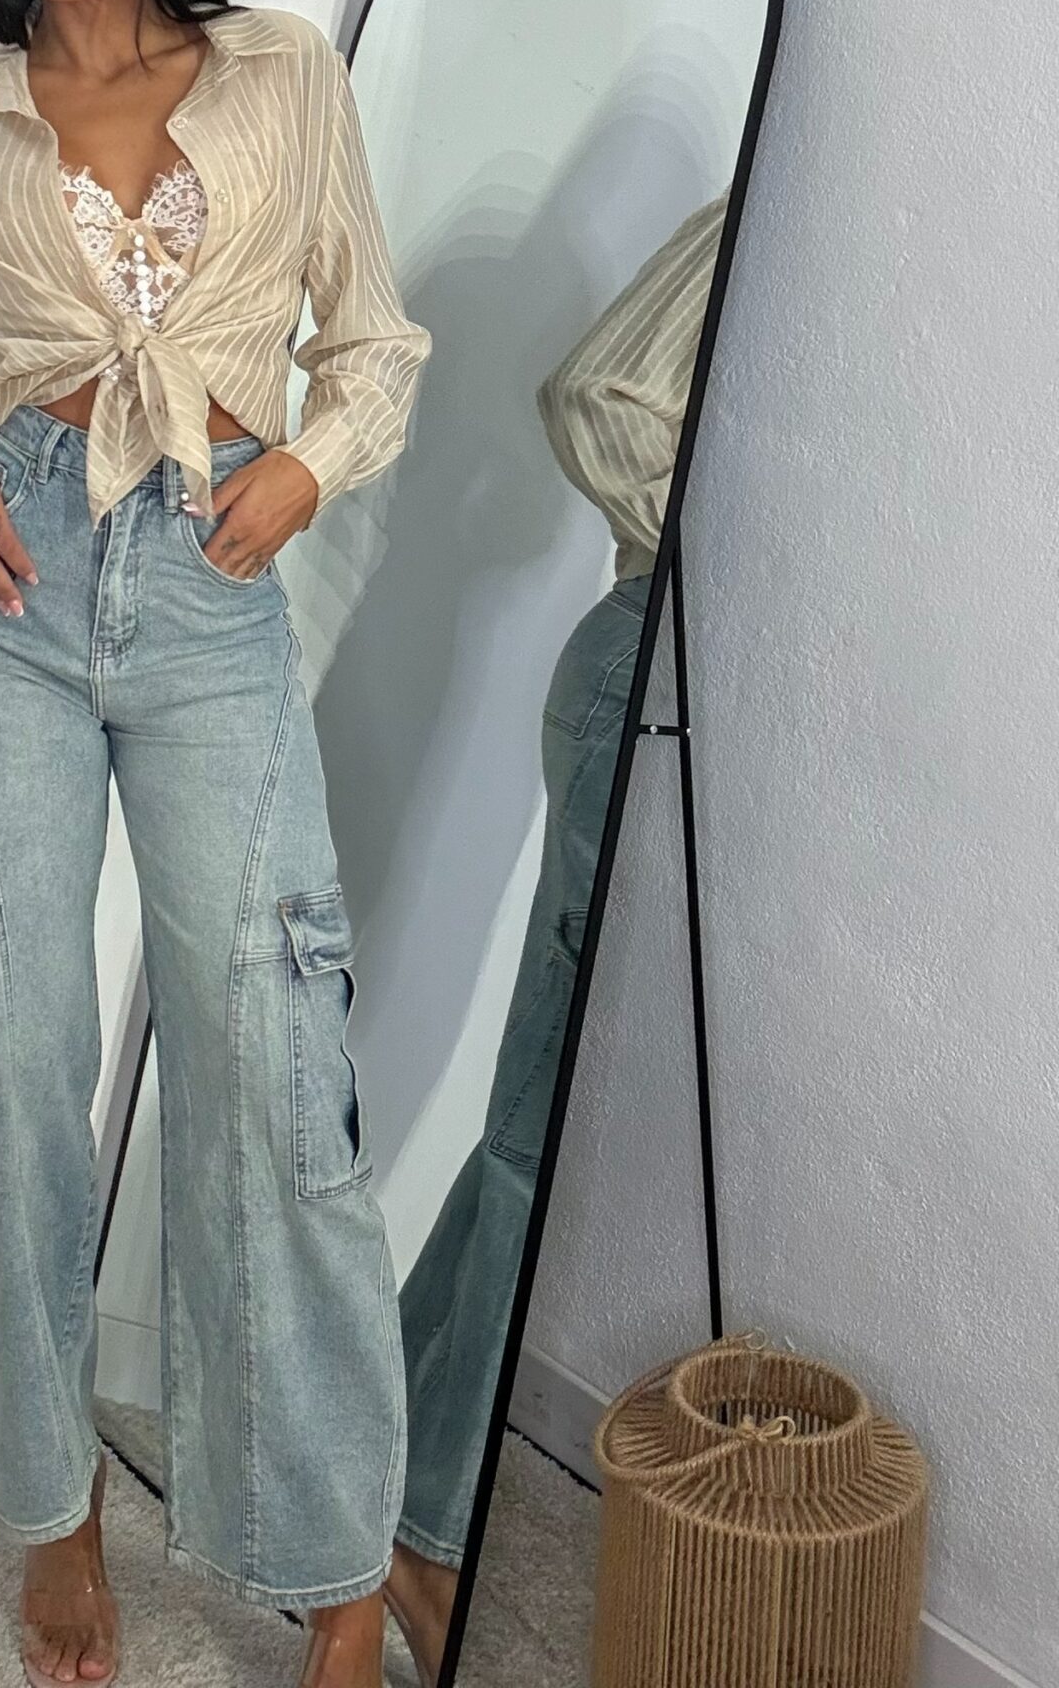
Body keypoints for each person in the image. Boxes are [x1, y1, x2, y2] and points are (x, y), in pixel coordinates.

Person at [0, 0, 432, 1688]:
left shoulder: (282, 79)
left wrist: (305, 470)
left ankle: (335, 1554)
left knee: (267, 1042)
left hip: (208, 582)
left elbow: (376, 342)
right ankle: (56, 1505)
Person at [382, 190, 726, 1687]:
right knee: (543, 1137)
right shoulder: (770, 219)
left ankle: (383, 1455)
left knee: (540, 1127)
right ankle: (424, 1533)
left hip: (698, 704)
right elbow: (605, 391)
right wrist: (705, 563)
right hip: (643, 669)